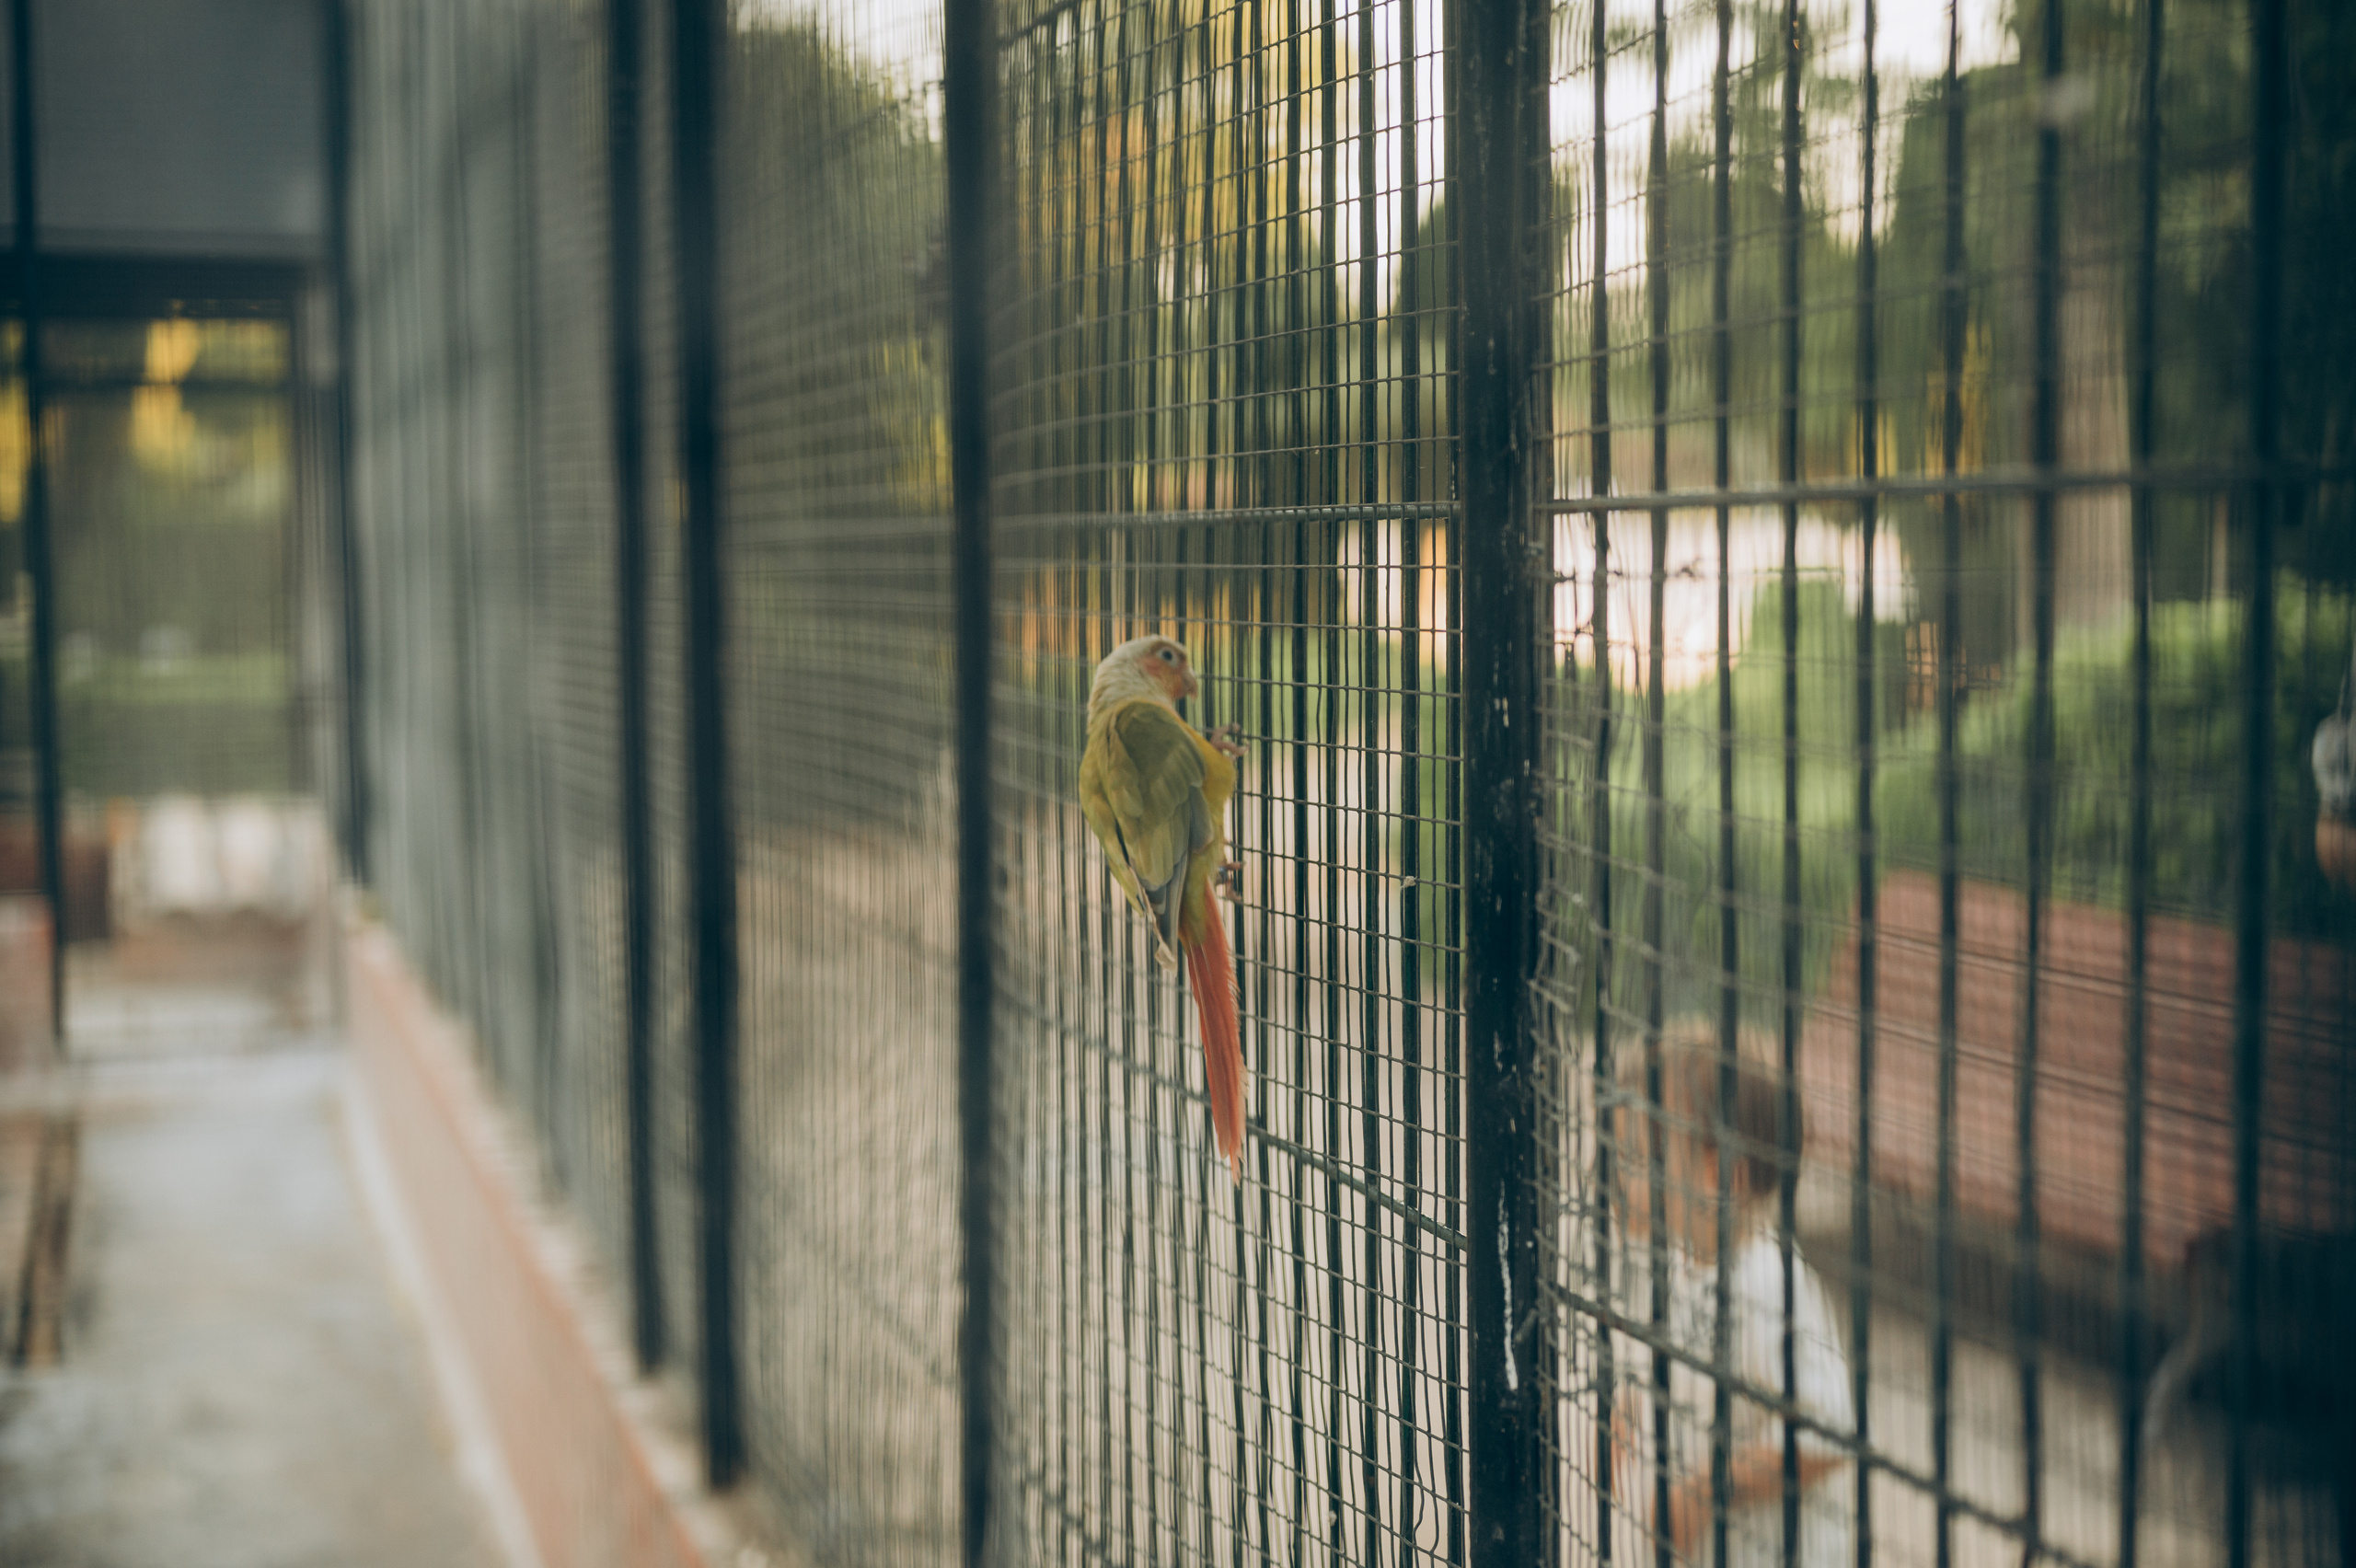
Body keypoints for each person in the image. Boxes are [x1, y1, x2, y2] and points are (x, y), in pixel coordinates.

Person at [1604, 1024, 1855, 1568]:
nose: (1616, 1176)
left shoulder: (1766, 1284)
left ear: (1718, 1176)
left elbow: (1828, 1438)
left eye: (1636, 1156)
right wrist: (1628, 1410)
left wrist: (1704, 1491)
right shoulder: (1673, 1265)